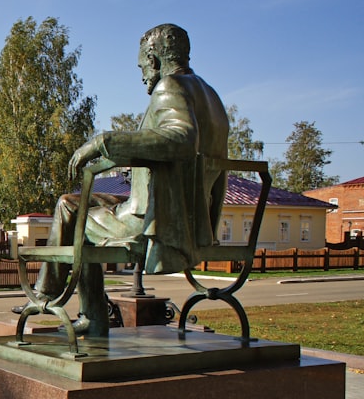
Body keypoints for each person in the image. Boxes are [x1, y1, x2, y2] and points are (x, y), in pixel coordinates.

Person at [22, 23, 229, 337]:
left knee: (76, 219)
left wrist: (103, 142)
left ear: (153, 57)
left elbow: (182, 139)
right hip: (175, 208)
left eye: (142, 65)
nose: (143, 73)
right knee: (69, 202)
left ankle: (53, 297)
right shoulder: (210, 94)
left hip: (160, 218)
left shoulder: (170, 86)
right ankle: (58, 296)